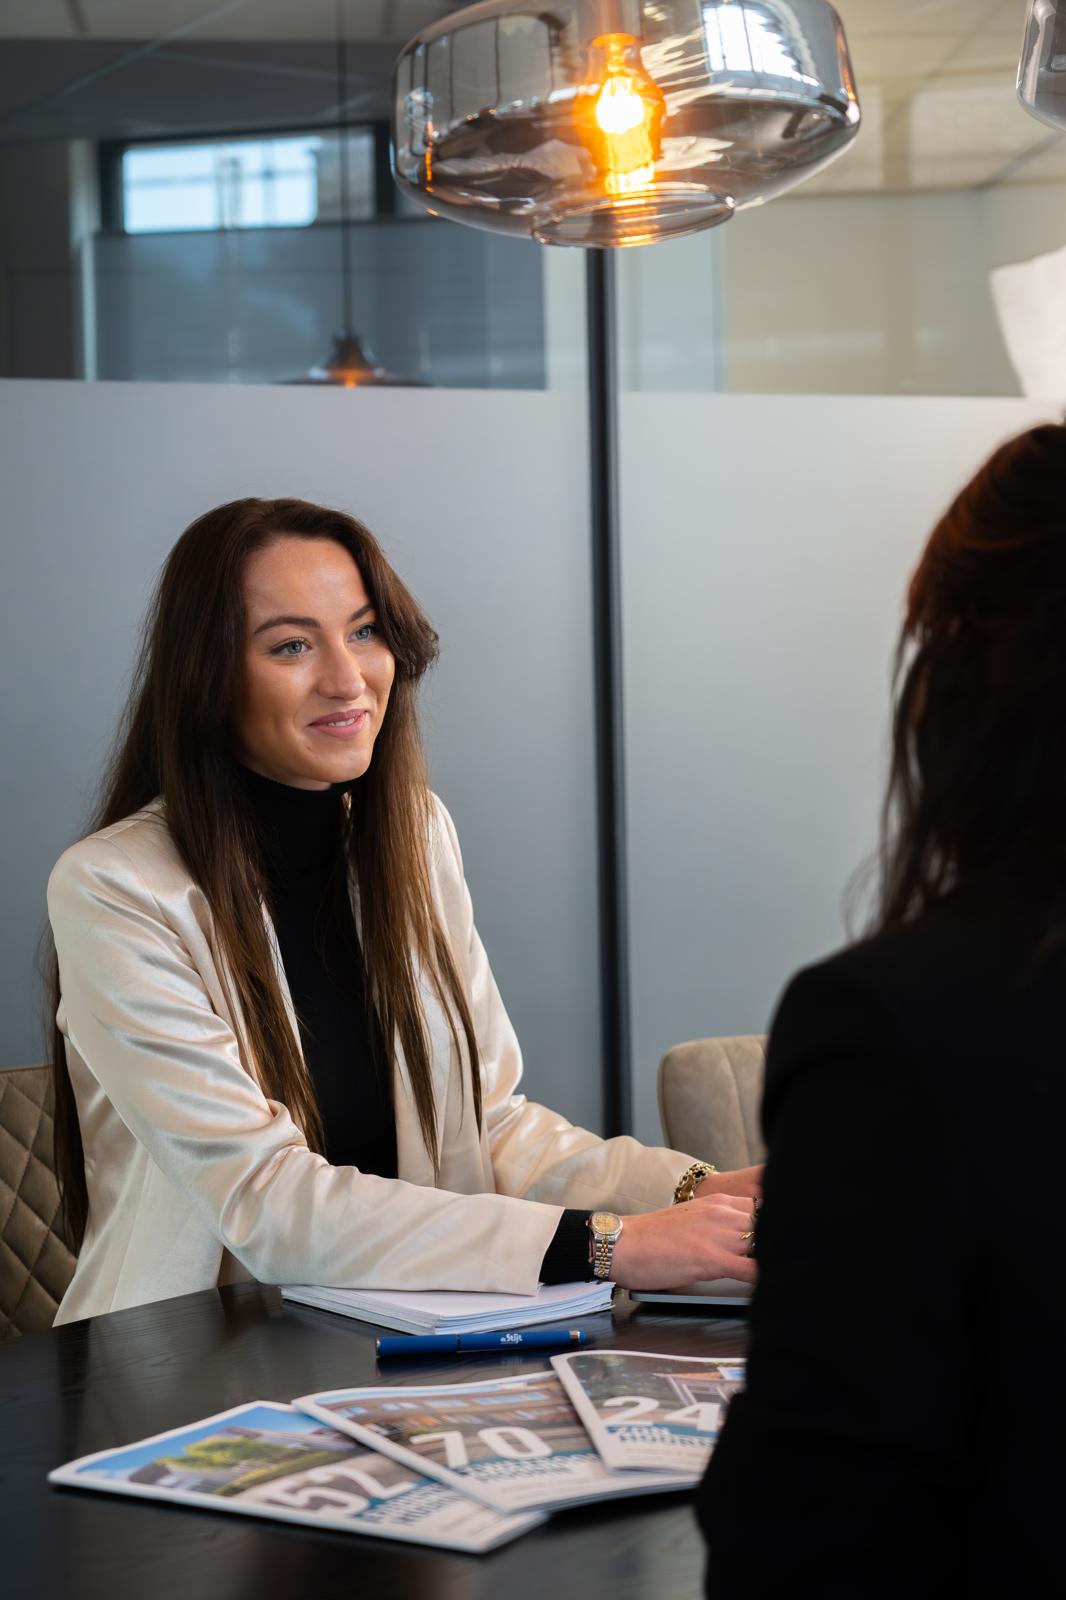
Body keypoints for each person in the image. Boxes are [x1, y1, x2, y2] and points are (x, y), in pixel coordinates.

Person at [46, 497, 761, 1325]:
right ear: (205, 675)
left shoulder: (412, 833)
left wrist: (700, 1192)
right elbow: (264, 1201)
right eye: (290, 645)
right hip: (189, 1358)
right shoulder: (114, 887)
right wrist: (613, 1243)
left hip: (413, 1330)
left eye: (364, 632)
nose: (348, 679)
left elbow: (489, 1126)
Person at [697, 423, 1066, 1595]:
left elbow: (811, 1535)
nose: (349, 676)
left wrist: (615, 1227)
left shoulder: (901, 1026)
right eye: (294, 643)